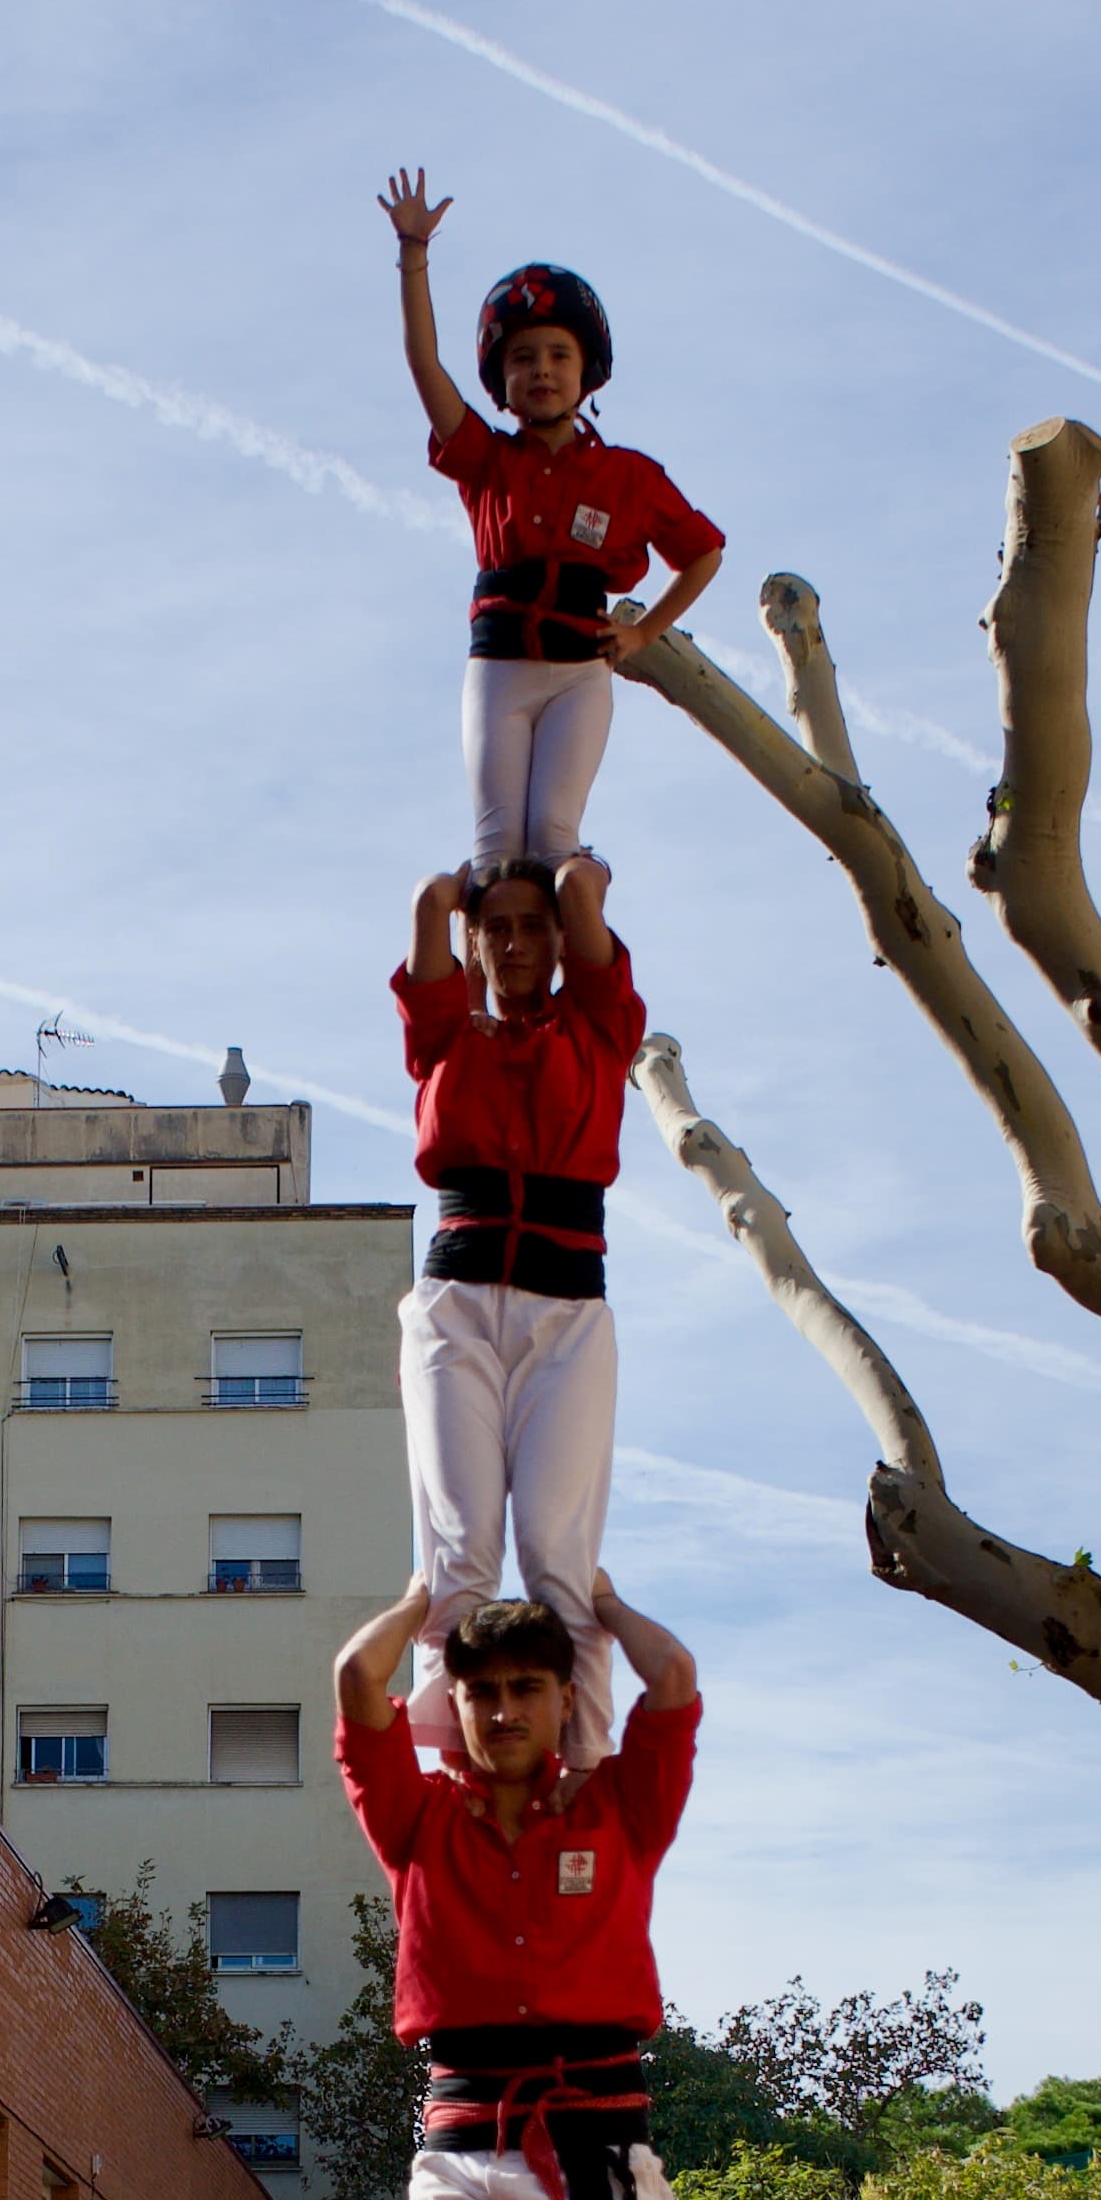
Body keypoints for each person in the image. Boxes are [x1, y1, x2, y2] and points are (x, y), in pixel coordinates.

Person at [337, 1572, 697, 2200]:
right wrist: (423, 1598)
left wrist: (600, 1605)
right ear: (454, 1704)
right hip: (466, 2163)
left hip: (603, 2158)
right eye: (482, 1692)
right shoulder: (414, 1817)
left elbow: (673, 1677)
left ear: (566, 1697)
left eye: (527, 1687)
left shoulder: (620, 1807)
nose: (504, 1711)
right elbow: (356, 1677)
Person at [383, 173, 724, 876]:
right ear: (501, 379)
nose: (541, 371)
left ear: (585, 370)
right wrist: (414, 255)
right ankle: (484, 948)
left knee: (553, 834)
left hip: (578, 673)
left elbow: (703, 553)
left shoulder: (628, 475)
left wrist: (643, 634)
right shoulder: (486, 460)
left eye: (558, 355)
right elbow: (423, 364)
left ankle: (581, 937)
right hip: (499, 669)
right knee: (496, 847)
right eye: (523, 358)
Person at [393, 853, 645, 1764]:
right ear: (474, 942)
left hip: (565, 1315)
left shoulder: (599, 1026)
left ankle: (582, 1761)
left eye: (532, 925)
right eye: (495, 928)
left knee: (553, 1553)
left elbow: (581, 888)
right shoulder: (445, 1035)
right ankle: (453, 1763)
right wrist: (450, 899)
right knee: (460, 1550)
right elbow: (428, 913)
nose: (513, 943)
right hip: (455, 1308)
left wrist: (561, 875)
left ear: (561, 938)